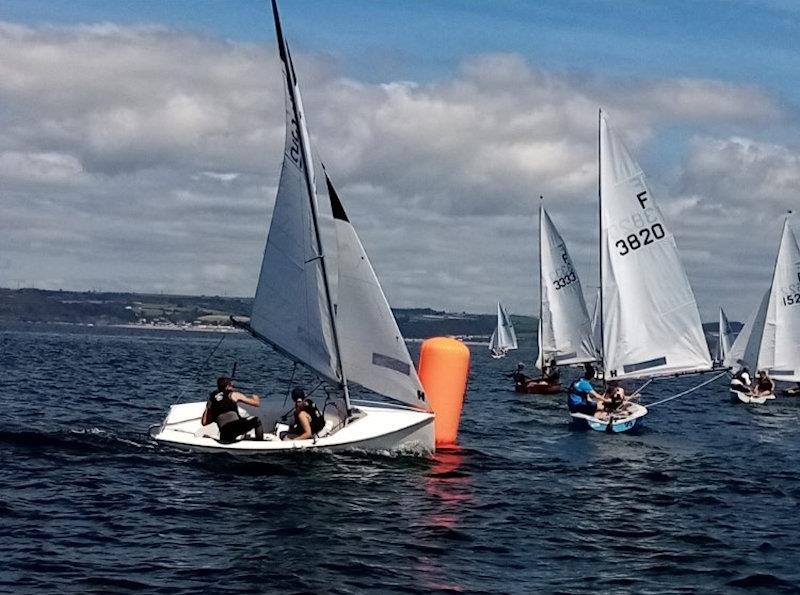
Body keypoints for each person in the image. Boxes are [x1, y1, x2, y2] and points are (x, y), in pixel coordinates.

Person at [201, 376, 264, 443]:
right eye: (231, 385)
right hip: (235, 428)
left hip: (224, 434)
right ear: (228, 386)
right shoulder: (233, 394)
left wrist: (208, 407)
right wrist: (254, 395)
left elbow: (204, 423)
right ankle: (260, 442)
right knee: (257, 420)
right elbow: (257, 403)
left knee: (240, 419)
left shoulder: (211, 399)